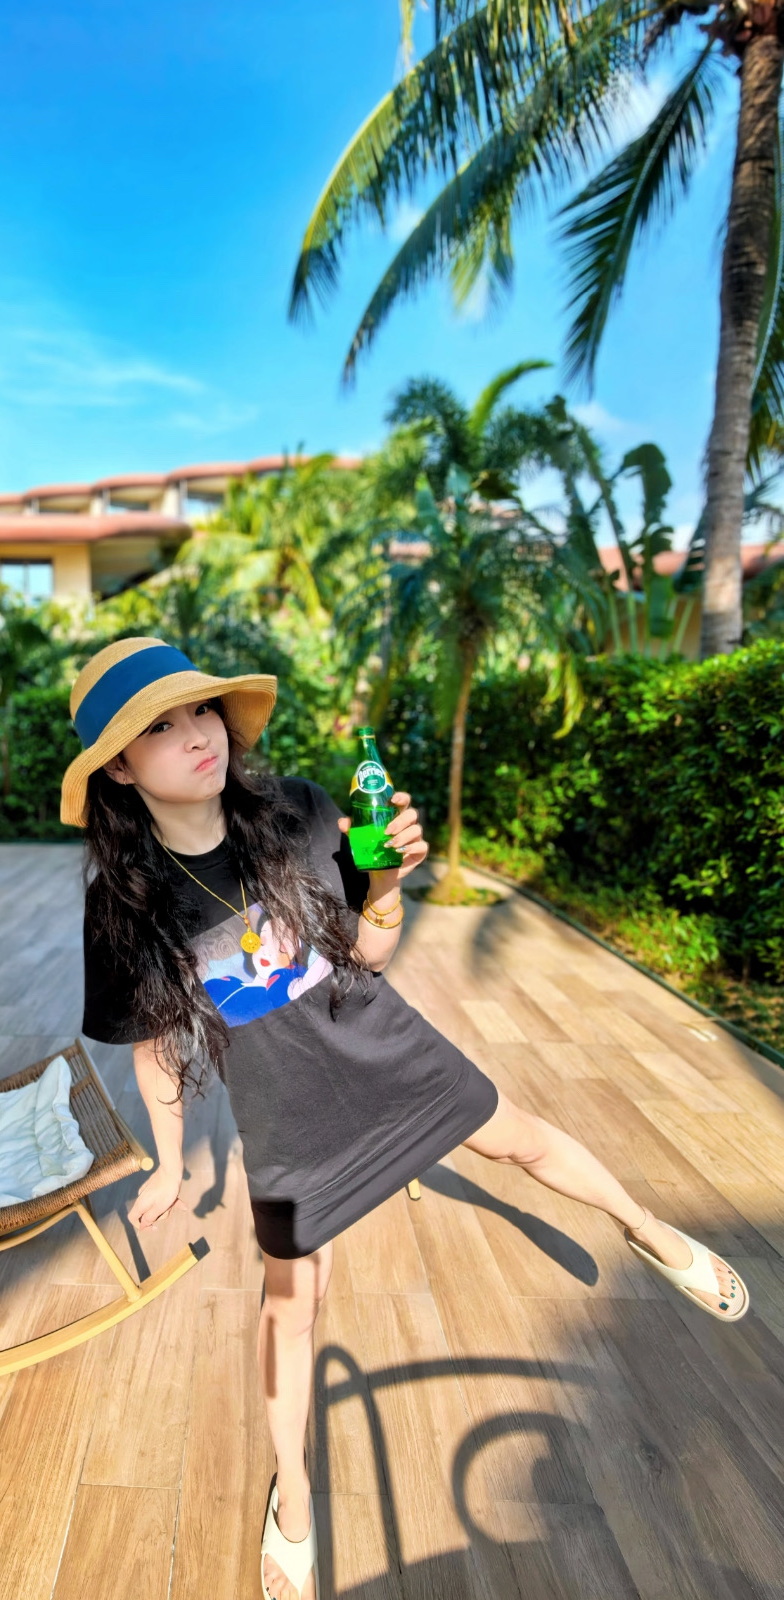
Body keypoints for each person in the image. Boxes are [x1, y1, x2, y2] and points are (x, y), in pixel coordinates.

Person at [63, 637, 749, 1600]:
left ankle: (646, 1226)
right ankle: (294, 1498)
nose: (197, 734)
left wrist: (387, 881)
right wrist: (173, 1164)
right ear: (120, 769)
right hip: (288, 1121)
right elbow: (153, 1046)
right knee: (292, 1308)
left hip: (388, 1052)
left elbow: (371, 954)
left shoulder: (300, 813)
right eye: (161, 727)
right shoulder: (125, 906)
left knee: (523, 1141)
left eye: (202, 709)